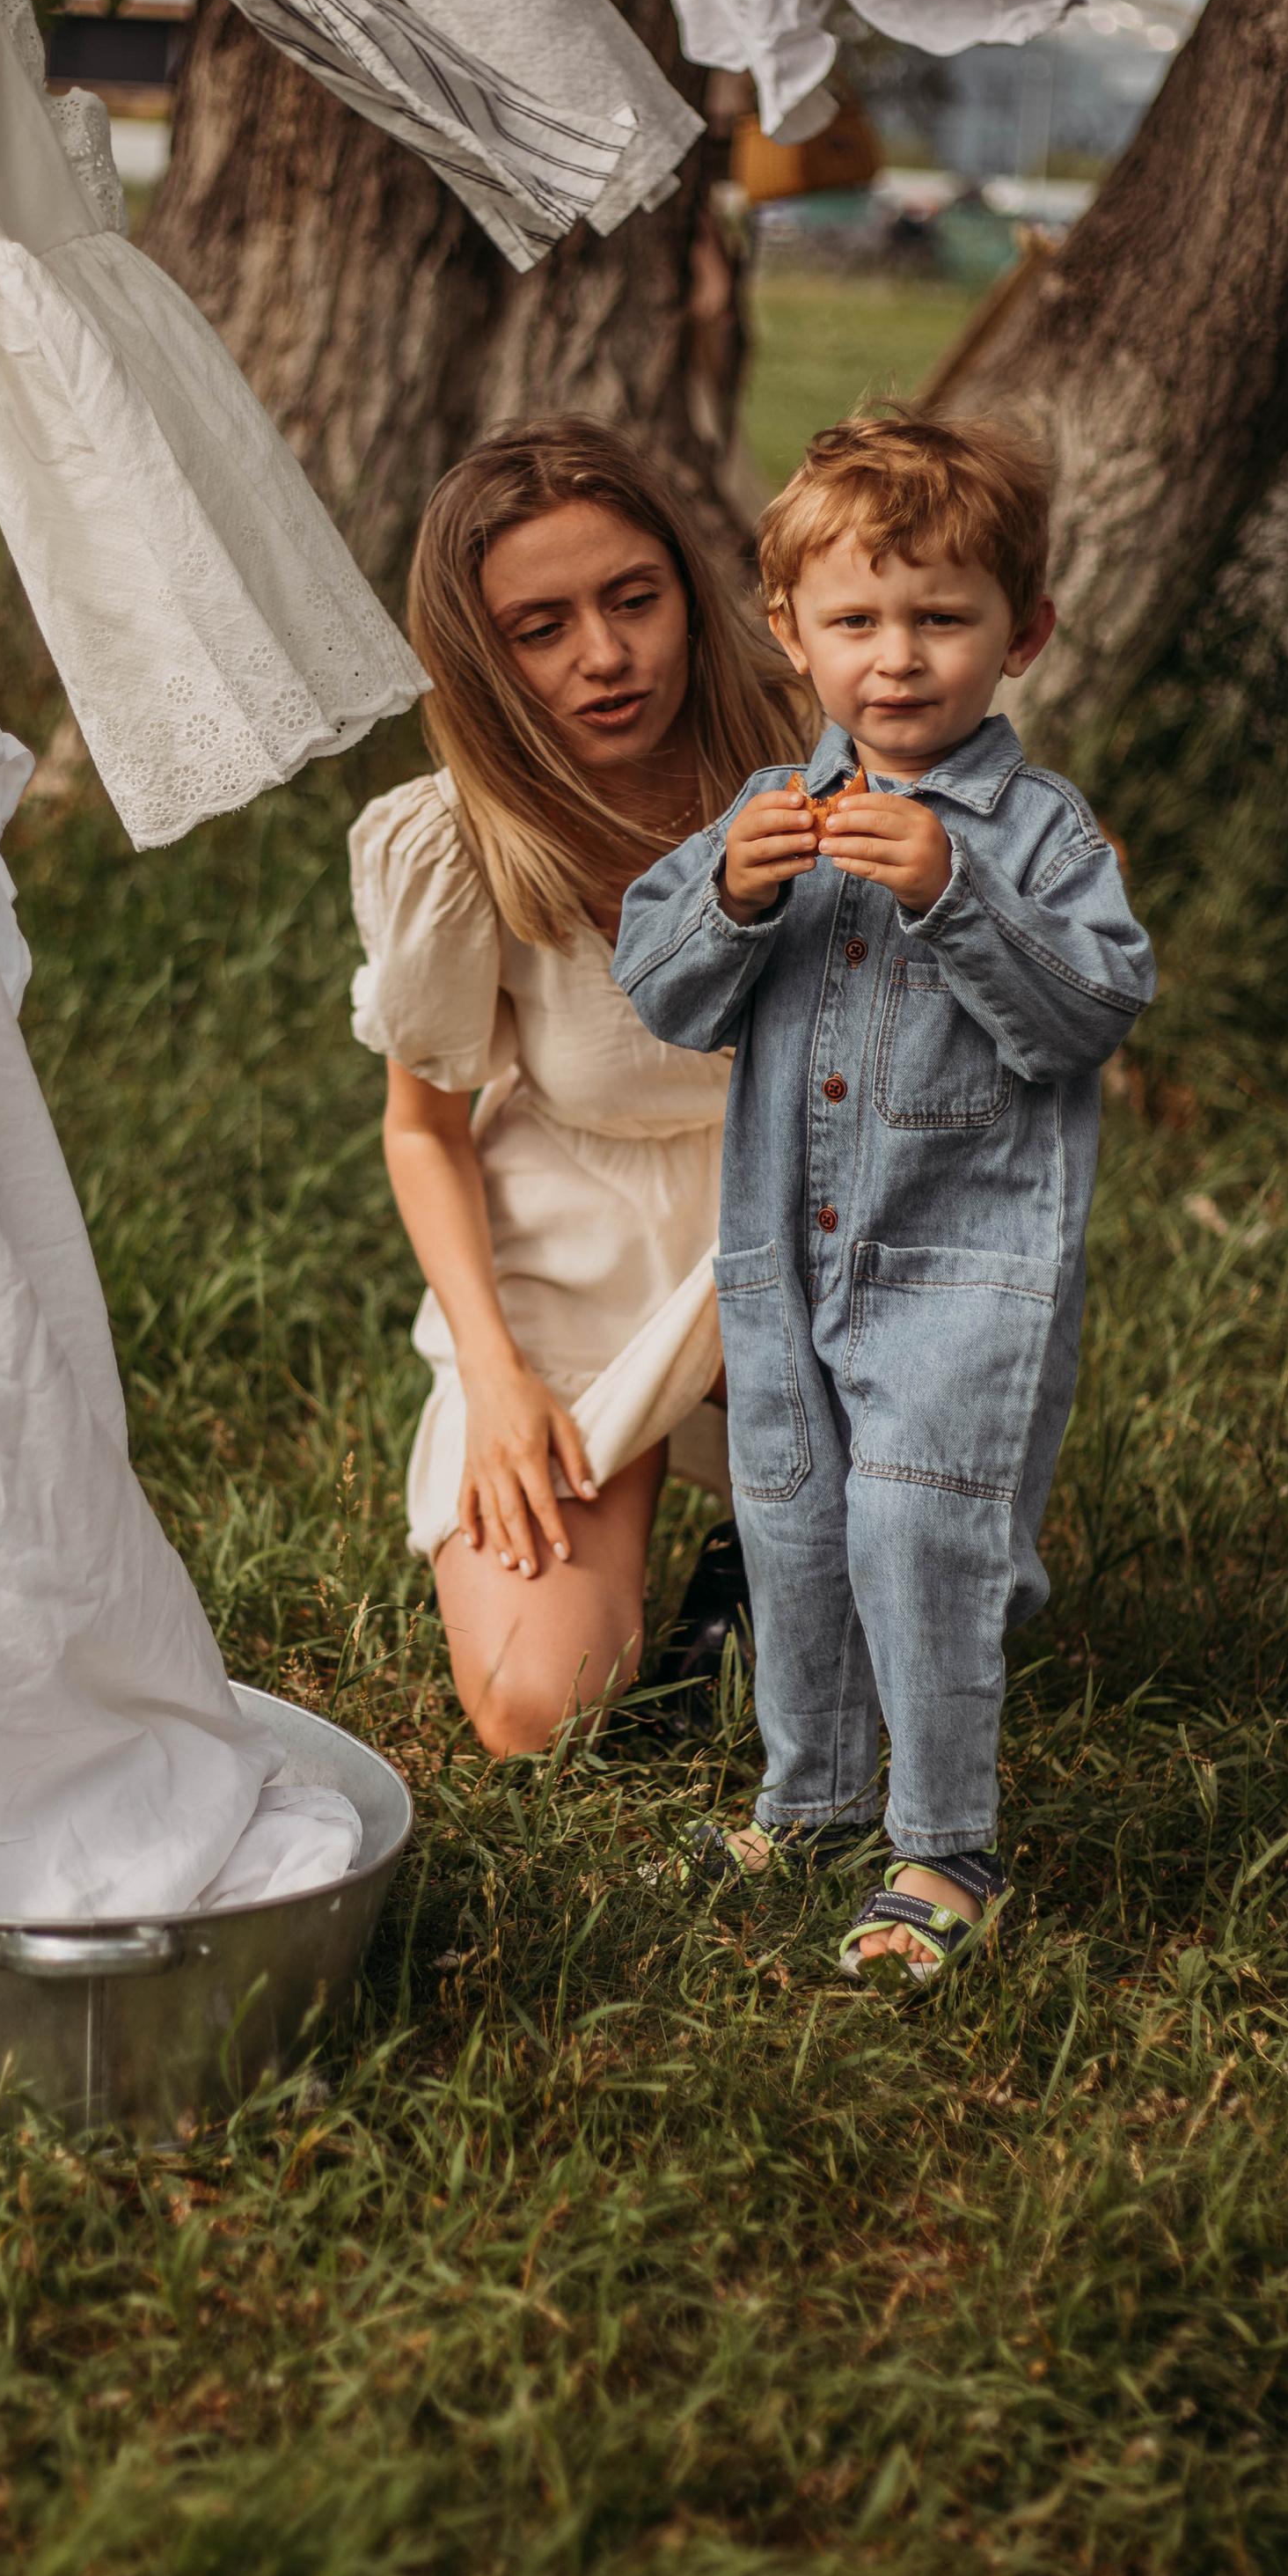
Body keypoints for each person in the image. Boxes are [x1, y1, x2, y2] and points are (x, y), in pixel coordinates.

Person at [612, 415, 1154, 1988]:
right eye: (856, 621)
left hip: (960, 1266)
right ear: (792, 635)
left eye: (942, 618)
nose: (898, 659)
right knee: (792, 1528)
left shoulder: (1036, 831)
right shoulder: (770, 810)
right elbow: (663, 995)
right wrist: (726, 897)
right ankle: (814, 1797)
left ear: (1024, 633)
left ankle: (946, 1840)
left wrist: (948, 893)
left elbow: (1089, 1009)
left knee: (917, 1532)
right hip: (783, 1261)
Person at [348, 419, 810, 1754]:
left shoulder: (806, 760)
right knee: (535, 1706)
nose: (603, 657)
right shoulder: (456, 838)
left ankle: (771, 1542)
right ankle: (650, 1476)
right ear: (478, 659)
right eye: (538, 629)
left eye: (632, 600)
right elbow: (424, 1129)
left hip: (798, 1206)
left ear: (689, 593)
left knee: (912, 1635)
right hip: (578, 1226)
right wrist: (495, 1377)